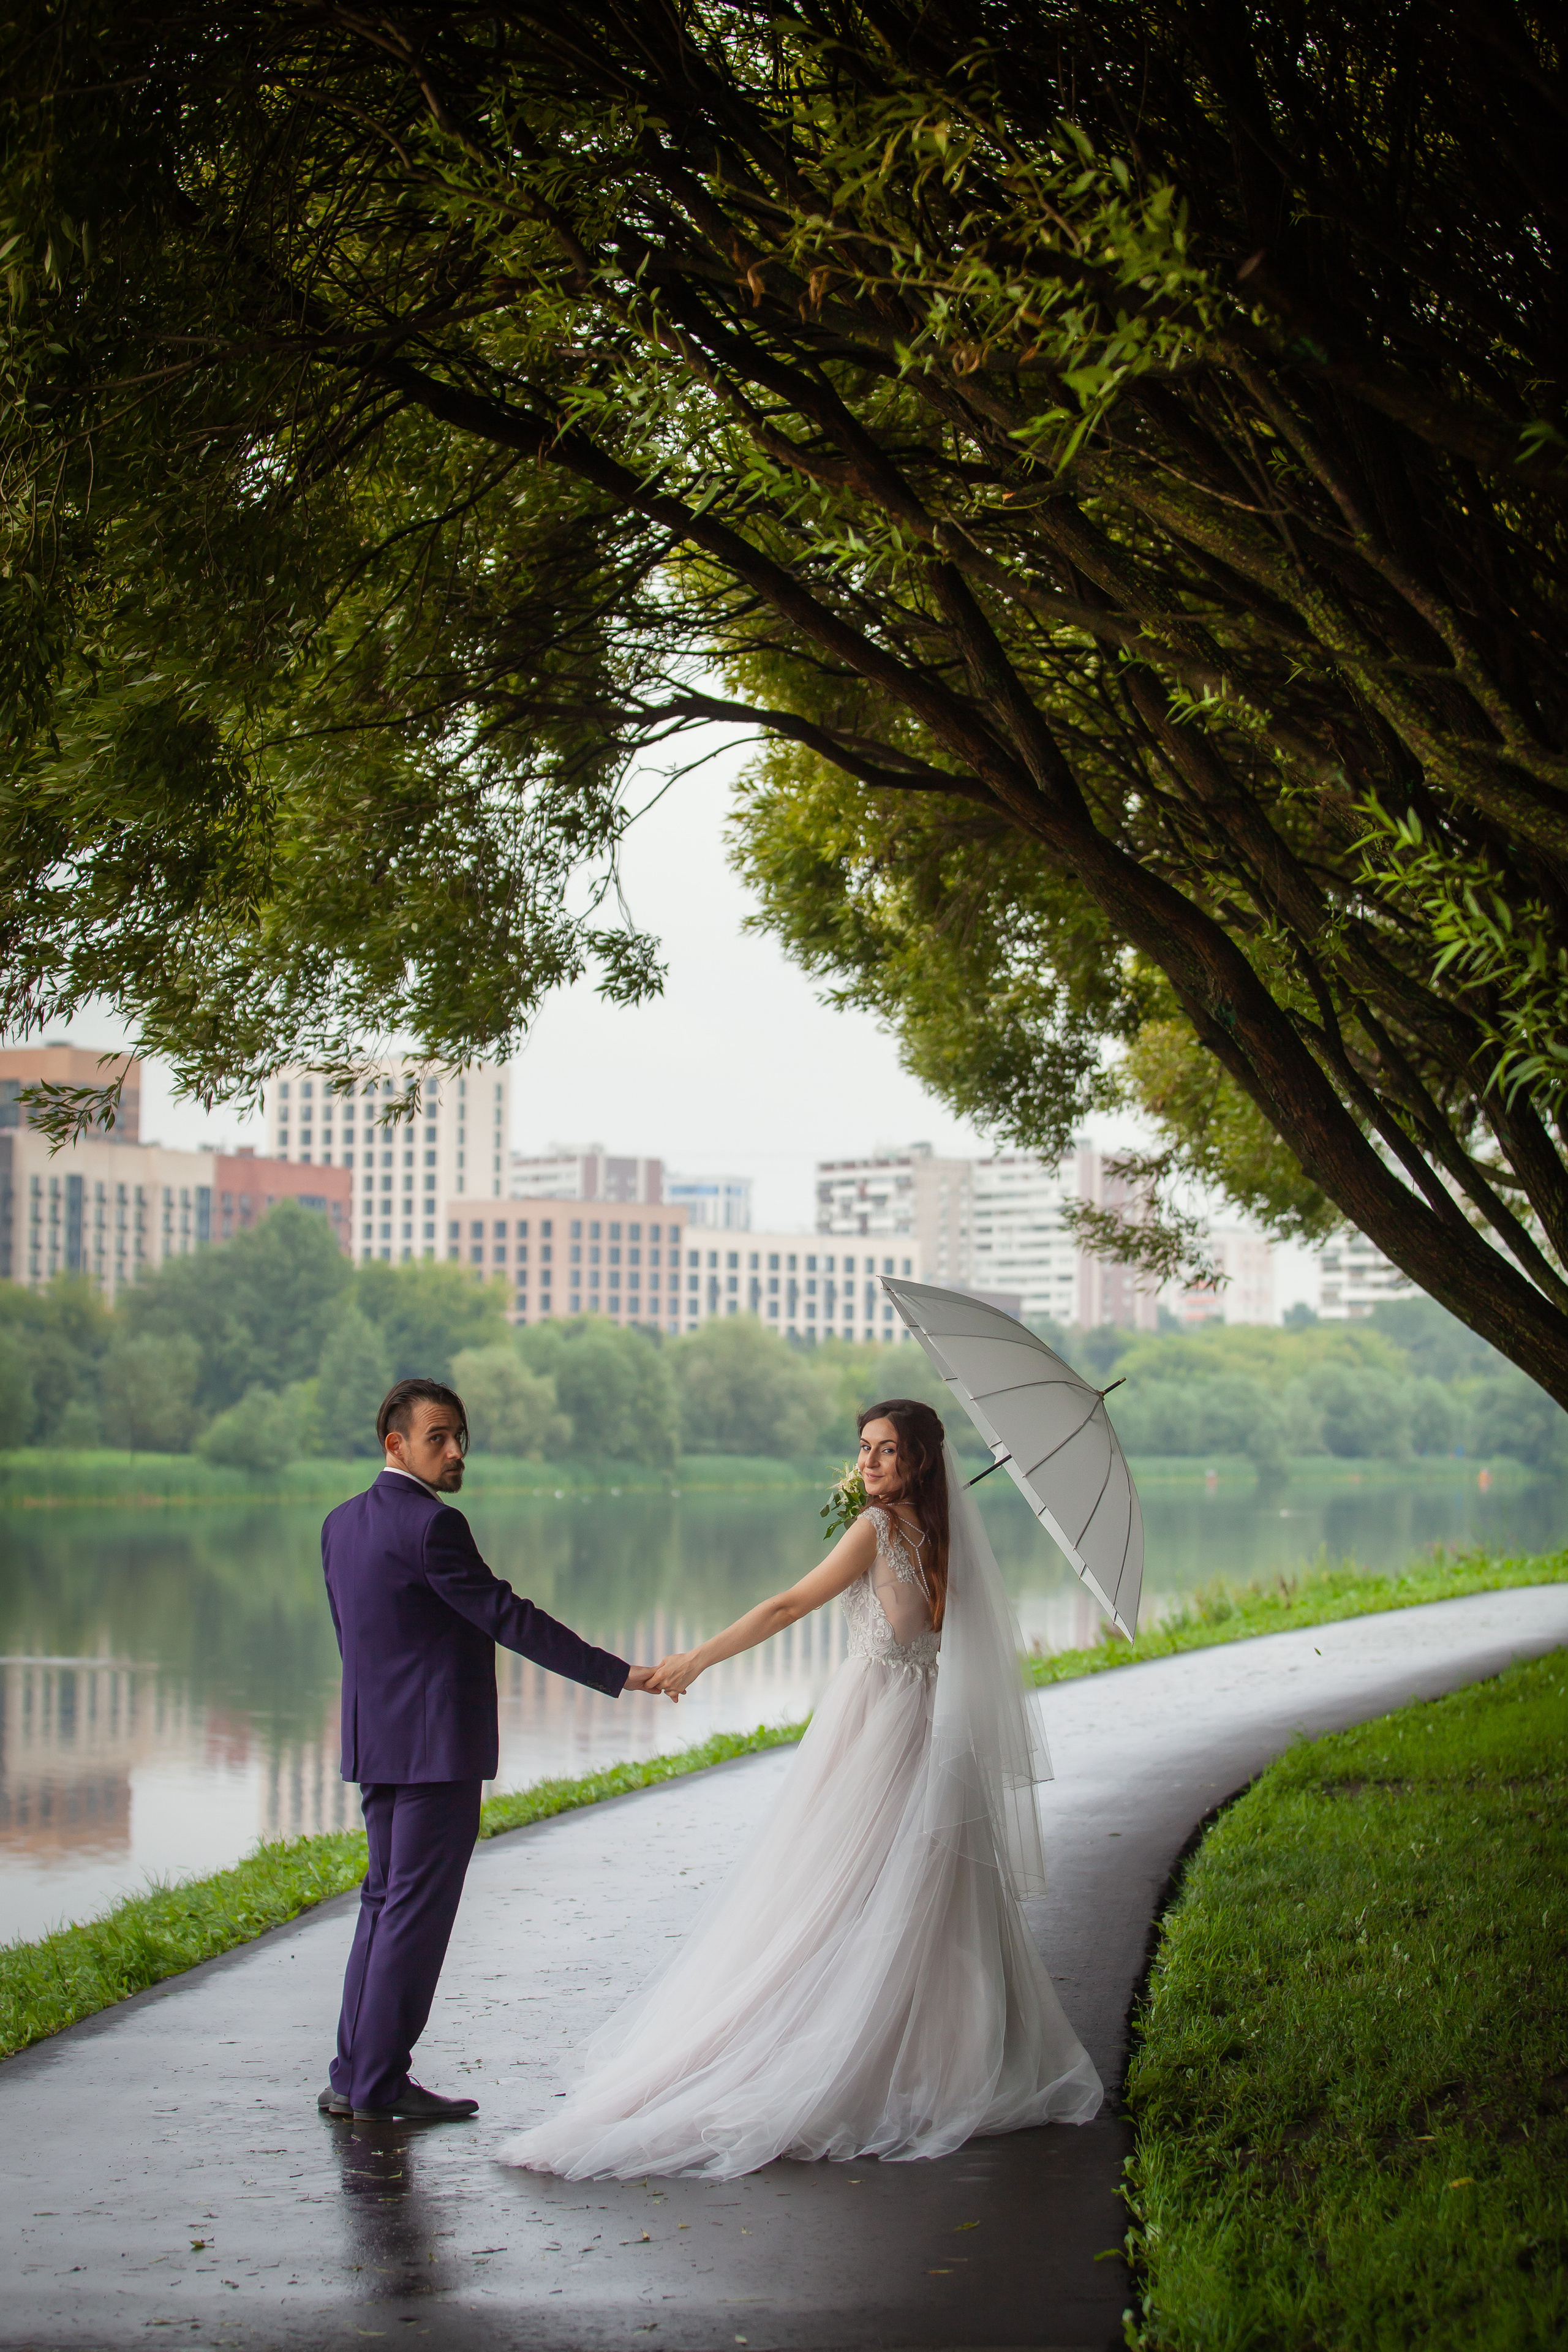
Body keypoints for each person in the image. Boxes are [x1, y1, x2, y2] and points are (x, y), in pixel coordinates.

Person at [502, 1398, 1102, 2180]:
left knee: (838, 1883)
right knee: (912, 1886)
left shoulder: (879, 1529)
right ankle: (935, 2054)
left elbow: (788, 1604)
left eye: (886, 1452)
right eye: (863, 1449)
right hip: (927, 1720)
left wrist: (696, 1659)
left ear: (919, 1459)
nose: (869, 1464)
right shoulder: (941, 1536)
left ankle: (852, 2048)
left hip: (876, 1720)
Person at [318, 1376, 666, 2124]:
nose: (454, 1452)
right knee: (411, 1913)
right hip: (436, 1751)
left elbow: (356, 1641)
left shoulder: (339, 1524)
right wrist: (620, 1673)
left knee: (382, 1905)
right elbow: (508, 1616)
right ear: (396, 1444)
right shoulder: (433, 1527)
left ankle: (354, 2076)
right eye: (438, 1437)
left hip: (375, 1744)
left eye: (459, 1438)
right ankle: (377, 2086)